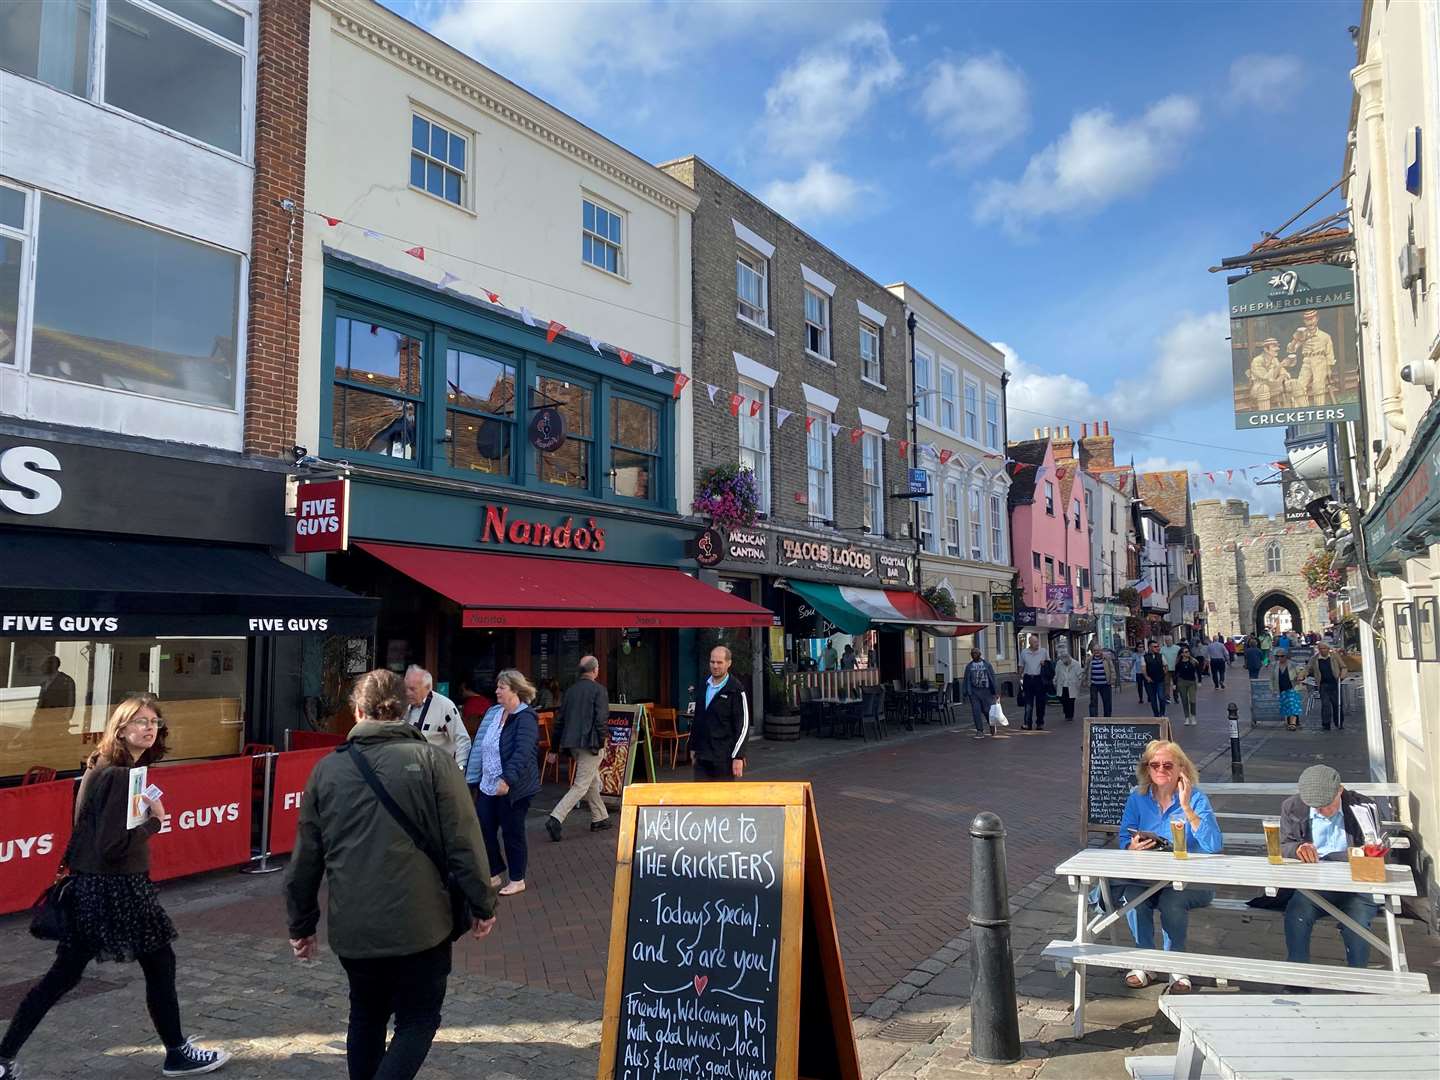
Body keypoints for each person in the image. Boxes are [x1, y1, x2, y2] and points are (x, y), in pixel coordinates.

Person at [0, 694, 230, 1078]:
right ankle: (177, 1053)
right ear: (120, 728)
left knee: (67, 974)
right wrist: (155, 821)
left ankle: (4, 1055)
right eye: (140, 721)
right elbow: (111, 846)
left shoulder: (103, 766)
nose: (149, 727)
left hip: (94, 887)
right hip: (118, 889)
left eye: (154, 721)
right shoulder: (120, 775)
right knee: (156, 965)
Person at [286, 670, 497, 1080]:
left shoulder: (327, 770)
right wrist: (482, 902)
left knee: (365, 1015)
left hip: (355, 924)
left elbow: (306, 857)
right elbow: (464, 841)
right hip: (423, 924)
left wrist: (302, 923)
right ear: (405, 709)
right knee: (418, 1018)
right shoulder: (433, 761)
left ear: (358, 711)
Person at [1116, 740, 1223, 992]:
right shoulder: (1137, 798)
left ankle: (1177, 964)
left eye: (1167, 765)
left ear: (1181, 769)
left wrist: (1186, 806)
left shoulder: (1195, 798)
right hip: (1149, 878)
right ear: (1147, 769)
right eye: (1154, 765)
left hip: (1191, 881)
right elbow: (1123, 838)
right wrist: (1132, 846)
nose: (1160, 770)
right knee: (1132, 896)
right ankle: (1145, 961)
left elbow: (1214, 845)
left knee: (1172, 901)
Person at [1280, 765, 1380, 969]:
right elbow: (1284, 845)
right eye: (1314, 806)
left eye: (1326, 805)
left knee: (1357, 923)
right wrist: (1298, 848)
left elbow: (1373, 850)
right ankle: (1297, 979)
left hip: (1356, 886)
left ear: (1340, 791)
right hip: (1314, 886)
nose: (1321, 811)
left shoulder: (1362, 806)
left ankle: (1358, 982)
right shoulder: (1293, 806)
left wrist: (1337, 857)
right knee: (1296, 913)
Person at [473, 670, 541, 896]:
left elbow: (522, 752)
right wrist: (473, 775)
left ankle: (517, 878)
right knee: (483, 827)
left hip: (514, 787)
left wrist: (507, 779)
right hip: (487, 784)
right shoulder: (494, 713)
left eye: (501, 687)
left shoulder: (526, 717)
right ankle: (494, 872)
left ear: (515, 690)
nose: (496, 691)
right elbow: (481, 744)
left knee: (513, 832)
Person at [544, 656, 610, 842]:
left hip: (572, 744)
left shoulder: (570, 692)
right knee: (581, 785)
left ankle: (600, 818)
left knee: (591, 781)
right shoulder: (599, 690)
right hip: (590, 744)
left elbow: (560, 721)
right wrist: (601, 742)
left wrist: (554, 748)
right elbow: (601, 720)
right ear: (595, 670)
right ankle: (556, 818)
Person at [690, 645, 749, 780]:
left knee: (722, 800)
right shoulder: (704, 684)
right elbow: (698, 718)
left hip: (723, 759)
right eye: (712, 662)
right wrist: (693, 746)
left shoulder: (735, 689)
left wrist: (738, 756)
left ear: (729, 663)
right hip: (702, 756)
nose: (715, 666)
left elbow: (743, 726)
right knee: (701, 799)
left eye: (719, 662)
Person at [403, 666, 471, 770]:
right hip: (408, 771)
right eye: (406, 688)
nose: (408, 693)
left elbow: (462, 740)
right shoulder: (402, 705)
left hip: (436, 773)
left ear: (427, 687)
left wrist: (460, 770)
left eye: (413, 689)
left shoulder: (444, 706)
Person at [961, 647, 999, 739]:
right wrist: (965, 692)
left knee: (987, 710)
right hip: (974, 692)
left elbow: (992, 678)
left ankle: (991, 725)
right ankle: (979, 730)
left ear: (979, 654)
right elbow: (966, 679)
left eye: (975, 653)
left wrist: (996, 692)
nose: (973, 655)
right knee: (976, 711)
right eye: (972, 653)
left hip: (986, 691)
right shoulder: (969, 666)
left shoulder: (986, 664)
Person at [1306, 643, 1344, 731]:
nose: (1322, 650)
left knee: (1337, 704)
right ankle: (1326, 724)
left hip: (1335, 683)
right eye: (1320, 648)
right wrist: (1302, 675)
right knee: (1325, 705)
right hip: (1323, 684)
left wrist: (1342, 676)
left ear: (1328, 649)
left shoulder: (1334, 657)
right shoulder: (1314, 658)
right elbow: (1307, 669)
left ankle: (1339, 723)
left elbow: (1343, 667)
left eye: (1324, 648)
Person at [1018, 635, 1049, 731]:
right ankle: (1027, 723)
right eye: (1035, 642)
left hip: (1039, 679)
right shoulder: (1024, 652)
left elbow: (1049, 665)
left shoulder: (1043, 651)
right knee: (1028, 703)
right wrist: (1020, 678)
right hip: (1028, 679)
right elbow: (1021, 666)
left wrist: (1045, 664)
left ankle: (1040, 723)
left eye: (1037, 642)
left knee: (1040, 703)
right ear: (1030, 643)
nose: (1037, 644)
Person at [1271, 648, 1306, 731]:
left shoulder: (1293, 664)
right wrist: (1273, 689)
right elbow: (1272, 678)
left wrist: (1300, 676)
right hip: (1281, 689)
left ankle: (1292, 724)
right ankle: (1290, 722)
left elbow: (1302, 670)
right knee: (1286, 706)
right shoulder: (1275, 665)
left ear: (1286, 656)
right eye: (1277, 656)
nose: (1279, 658)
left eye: (1282, 656)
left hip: (1293, 687)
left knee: (1293, 705)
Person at [33, 656, 76, 724]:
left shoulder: (66, 681)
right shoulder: (45, 682)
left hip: (58, 722)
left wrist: (65, 721)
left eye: (45, 664)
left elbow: (71, 704)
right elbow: (41, 702)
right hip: (42, 722)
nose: (42, 667)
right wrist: (35, 718)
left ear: (53, 666)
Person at [1082, 641, 1116, 718]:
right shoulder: (1089, 659)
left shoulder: (1106, 659)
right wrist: (1084, 680)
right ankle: (1093, 718)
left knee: (1107, 702)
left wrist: (1112, 680)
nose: (1096, 652)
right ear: (1092, 651)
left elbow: (1112, 670)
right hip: (1094, 684)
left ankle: (1107, 718)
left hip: (1105, 684)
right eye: (1094, 650)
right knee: (1093, 702)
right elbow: (1085, 670)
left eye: (1098, 650)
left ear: (1101, 651)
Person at [1052, 644, 1083, 722]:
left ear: (1069, 658)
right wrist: (1054, 681)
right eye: (1063, 661)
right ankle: (1066, 711)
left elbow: (1080, 674)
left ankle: (1069, 716)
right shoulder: (1059, 663)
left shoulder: (1075, 664)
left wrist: (1080, 682)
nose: (1065, 663)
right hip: (1062, 685)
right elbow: (1057, 673)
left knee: (1071, 701)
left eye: (1066, 662)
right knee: (1063, 699)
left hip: (1072, 685)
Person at [1139, 640, 1168, 717]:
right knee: (1153, 699)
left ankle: (1162, 713)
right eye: (1155, 647)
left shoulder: (1161, 656)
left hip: (1160, 680)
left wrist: (1164, 672)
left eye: (1158, 646)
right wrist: (1146, 677)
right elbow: (1143, 668)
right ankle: (1156, 715)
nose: (1157, 648)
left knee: (1161, 697)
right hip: (1150, 681)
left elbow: (1165, 665)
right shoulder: (1144, 657)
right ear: (1150, 647)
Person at [1173, 645, 1200, 726]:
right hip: (1182, 682)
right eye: (1185, 652)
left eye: (1188, 651)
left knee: (1192, 700)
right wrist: (1174, 684)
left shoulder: (1193, 661)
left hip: (1192, 682)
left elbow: (1198, 671)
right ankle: (1187, 718)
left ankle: (1193, 716)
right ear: (1181, 654)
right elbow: (1175, 674)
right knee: (1184, 700)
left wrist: (1199, 681)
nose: (1187, 653)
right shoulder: (1178, 663)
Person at [1159, 637, 1180, 703]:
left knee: (1175, 684)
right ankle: (1167, 697)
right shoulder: (1162, 649)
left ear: (1172, 640)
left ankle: (1176, 697)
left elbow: (1180, 656)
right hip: (1166, 669)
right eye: (1166, 641)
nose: (1167, 642)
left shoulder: (1177, 648)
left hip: (1175, 669)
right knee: (1166, 683)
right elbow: (1160, 658)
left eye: (1169, 640)